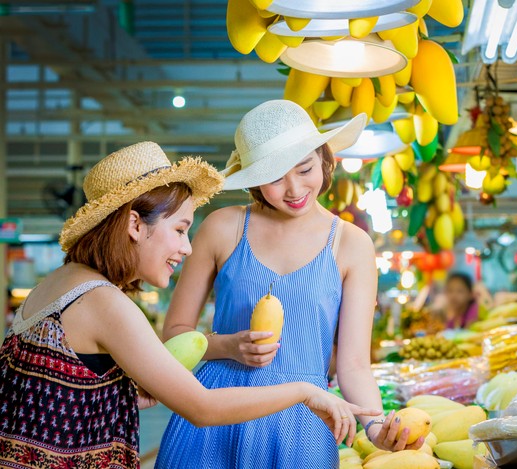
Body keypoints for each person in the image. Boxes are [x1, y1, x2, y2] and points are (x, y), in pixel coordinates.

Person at [0, 142, 377, 469]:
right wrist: (304, 391)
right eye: (180, 230)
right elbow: (202, 408)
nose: (188, 247)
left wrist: (124, 391)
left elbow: (54, 394)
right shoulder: (104, 302)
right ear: (134, 225)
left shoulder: (58, 284)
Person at [156, 100, 422, 468]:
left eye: (305, 168)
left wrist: (375, 427)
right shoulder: (223, 227)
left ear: (324, 158)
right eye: (275, 177)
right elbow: (175, 335)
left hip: (303, 420)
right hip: (216, 412)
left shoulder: (351, 244)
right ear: (253, 179)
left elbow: (355, 363)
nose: (294, 188)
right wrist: (228, 346)